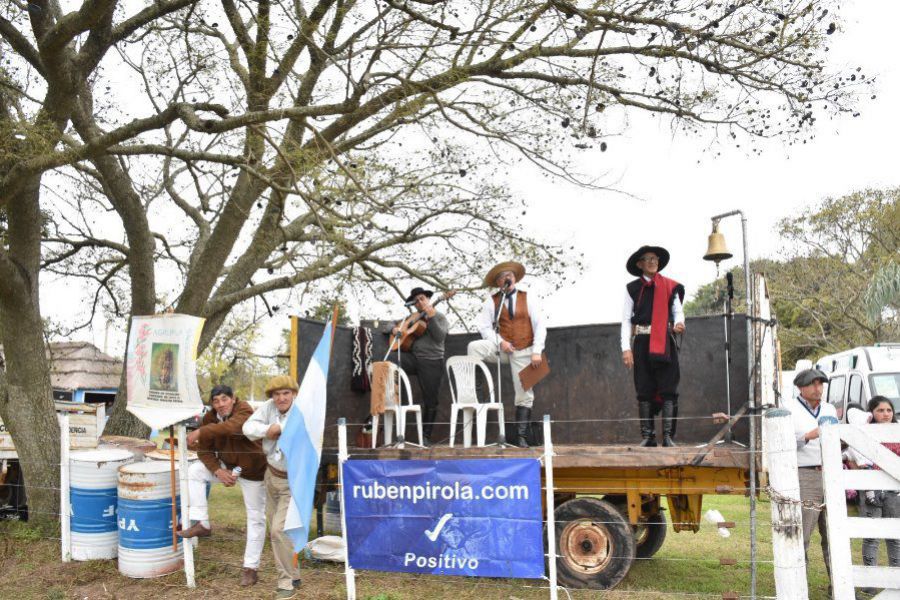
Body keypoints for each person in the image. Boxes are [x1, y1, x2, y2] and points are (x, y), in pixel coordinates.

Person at [179, 385, 267, 587]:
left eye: (224, 399)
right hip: (228, 465)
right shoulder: (210, 418)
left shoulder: (245, 410)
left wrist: (201, 430)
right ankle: (202, 523)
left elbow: (233, 428)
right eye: (216, 401)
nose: (220, 404)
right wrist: (218, 470)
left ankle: (250, 569)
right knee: (195, 471)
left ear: (233, 399)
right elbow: (204, 451)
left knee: (256, 518)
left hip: (254, 470)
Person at [468, 261, 546, 448]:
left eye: (510, 275)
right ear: (498, 282)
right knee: (474, 347)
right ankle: (477, 395)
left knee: (524, 393)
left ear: (514, 278)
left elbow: (540, 325)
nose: (507, 278)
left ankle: (521, 437)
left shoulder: (528, 297)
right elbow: (485, 327)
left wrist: (537, 351)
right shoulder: (492, 300)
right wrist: (500, 342)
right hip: (503, 349)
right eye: (503, 276)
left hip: (525, 349)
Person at [243, 375, 302, 599]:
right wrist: (269, 429)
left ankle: (285, 583)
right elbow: (248, 427)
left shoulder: (302, 412)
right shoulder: (268, 408)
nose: (281, 398)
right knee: (276, 528)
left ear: (293, 393)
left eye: (285, 393)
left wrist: (280, 430)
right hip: (271, 474)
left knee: (279, 530)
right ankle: (294, 574)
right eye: (276, 394)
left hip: (294, 480)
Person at [621, 245, 685, 447]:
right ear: (640, 264)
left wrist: (679, 323)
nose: (653, 262)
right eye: (648, 259)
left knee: (669, 387)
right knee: (644, 388)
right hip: (640, 342)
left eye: (655, 258)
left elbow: (678, 311)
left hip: (664, 341)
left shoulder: (669, 286)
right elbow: (625, 321)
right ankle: (648, 437)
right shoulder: (632, 289)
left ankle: (667, 437)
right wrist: (626, 348)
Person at [788, 368, 836, 585]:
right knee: (804, 532)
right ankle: (799, 585)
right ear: (801, 387)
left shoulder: (829, 408)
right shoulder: (789, 408)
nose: (819, 388)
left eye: (821, 384)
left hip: (830, 471)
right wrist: (809, 435)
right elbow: (784, 440)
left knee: (833, 533)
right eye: (814, 384)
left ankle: (837, 584)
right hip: (805, 472)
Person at [848, 396, 900, 583]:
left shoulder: (897, 430)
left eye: (888, 410)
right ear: (872, 412)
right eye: (880, 410)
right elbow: (850, 454)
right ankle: (870, 582)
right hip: (871, 489)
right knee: (872, 536)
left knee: (895, 536)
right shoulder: (864, 432)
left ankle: (896, 580)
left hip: (894, 491)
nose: (885, 414)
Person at [388, 287, 449, 445]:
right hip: (414, 359)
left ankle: (426, 436)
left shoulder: (440, 317)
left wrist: (432, 317)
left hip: (432, 361)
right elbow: (387, 325)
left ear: (428, 299)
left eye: (422, 299)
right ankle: (391, 398)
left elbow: (439, 337)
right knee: (391, 359)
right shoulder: (412, 317)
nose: (420, 303)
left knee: (431, 400)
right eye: (416, 301)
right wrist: (394, 329)